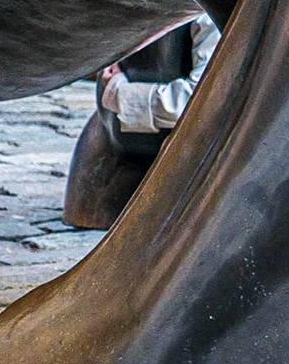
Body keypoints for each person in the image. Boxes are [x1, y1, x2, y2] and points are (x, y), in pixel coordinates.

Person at [62, 15, 218, 229]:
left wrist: (119, 93)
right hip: (109, 148)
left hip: (176, 154)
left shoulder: (207, 19)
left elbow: (203, 98)